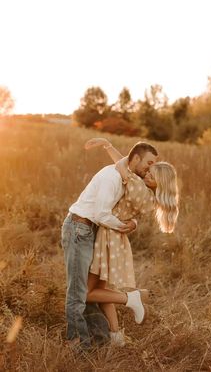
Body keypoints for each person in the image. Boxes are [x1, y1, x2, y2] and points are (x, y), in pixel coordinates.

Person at [61, 141, 158, 351]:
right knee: (79, 292)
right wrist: (123, 226)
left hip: (97, 232)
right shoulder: (112, 177)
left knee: (96, 289)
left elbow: (130, 208)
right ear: (136, 159)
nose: (149, 169)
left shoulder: (128, 178)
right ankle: (78, 345)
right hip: (80, 228)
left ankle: (105, 337)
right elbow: (101, 214)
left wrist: (133, 222)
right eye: (148, 163)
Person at [84, 138, 179, 347]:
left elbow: (122, 164)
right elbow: (126, 165)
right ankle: (116, 336)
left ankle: (131, 298)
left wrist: (109, 147)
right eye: (148, 170)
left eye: (151, 174)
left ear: (158, 182)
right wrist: (108, 146)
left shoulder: (137, 187)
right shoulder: (151, 198)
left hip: (108, 235)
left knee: (88, 292)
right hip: (116, 238)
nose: (146, 172)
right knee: (102, 289)